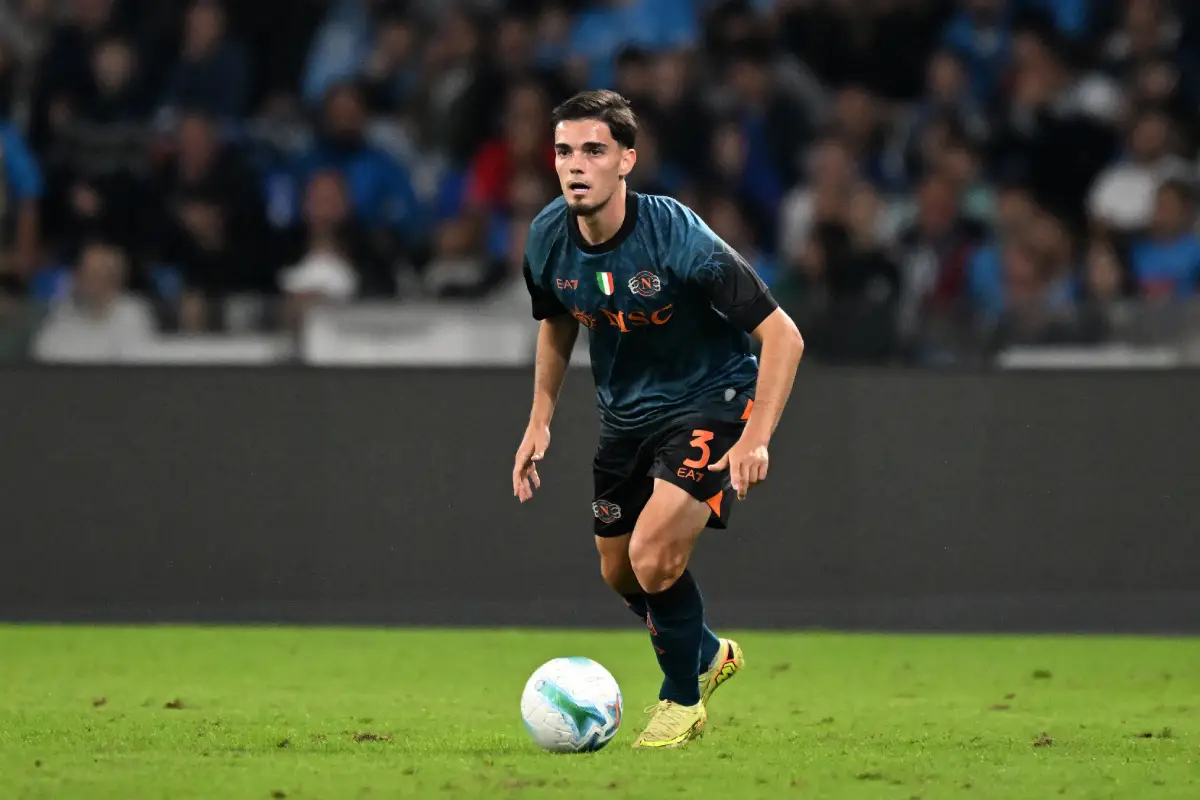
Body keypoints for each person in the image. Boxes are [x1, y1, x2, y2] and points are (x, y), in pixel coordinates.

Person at [512, 90, 805, 749]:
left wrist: (755, 440)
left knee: (653, 555)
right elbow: (557, 318)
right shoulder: (546, 238)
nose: (575, 165)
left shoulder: (675, 233)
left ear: (626, 161)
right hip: (625, 419)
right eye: (564, 151)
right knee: (618, 570)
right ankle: (705, 651)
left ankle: (680, 702)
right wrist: (541, 419)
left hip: (713, 402)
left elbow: (783, 336)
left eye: (593, 150)